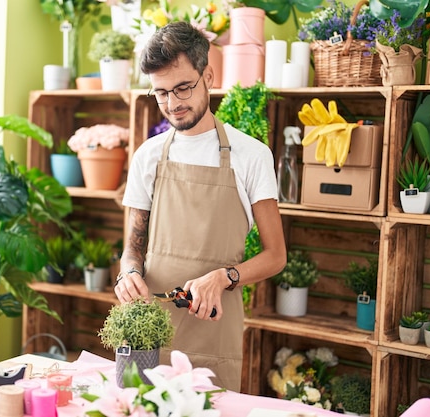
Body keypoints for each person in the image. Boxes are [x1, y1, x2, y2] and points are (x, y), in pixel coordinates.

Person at [114, 21, 287, 392]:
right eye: (161, 93)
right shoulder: (148, 157)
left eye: (183, 88)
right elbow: (133, 248)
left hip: (214, 333)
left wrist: (224, 276)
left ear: (208, 74)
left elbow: (276, 255)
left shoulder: (251, 155)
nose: (173, 104)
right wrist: (127, 275)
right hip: (149, 334)